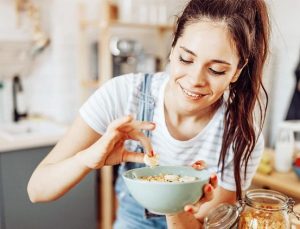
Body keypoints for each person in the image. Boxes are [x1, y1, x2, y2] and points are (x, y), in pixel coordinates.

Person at [27, 0, 270, 228]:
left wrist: (176, 205)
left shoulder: (242, 136)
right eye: (186, 59)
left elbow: (202, 225)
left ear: (237, 72)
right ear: (173, 47)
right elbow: (37, 190)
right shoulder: (124, 94)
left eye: (216, 70)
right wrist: (89, 158)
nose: (195, 80)